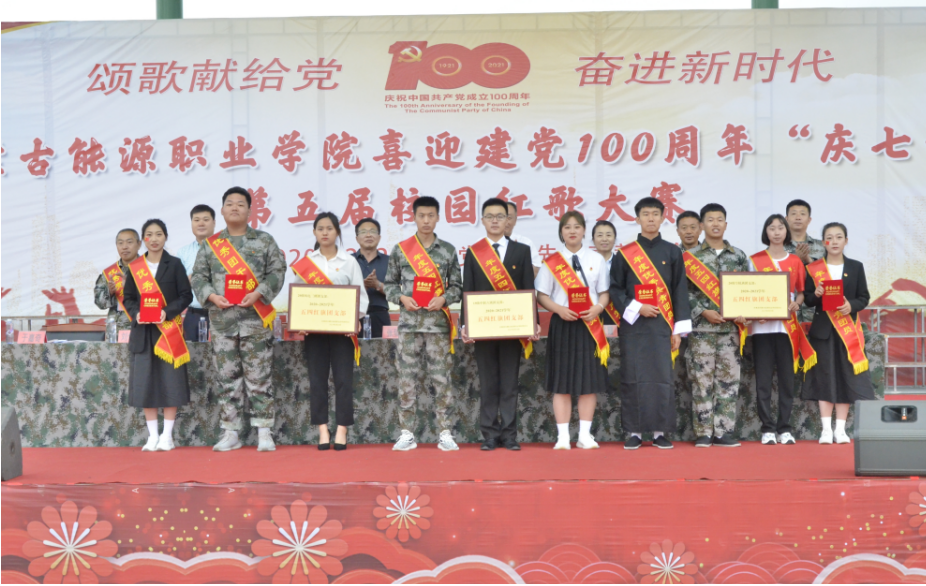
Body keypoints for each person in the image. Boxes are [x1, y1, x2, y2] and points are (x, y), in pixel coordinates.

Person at [191, 187, 287, 453]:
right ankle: (231, 432)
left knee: (259, 377)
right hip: (222, 321)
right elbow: (198, 277)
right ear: (222, 210)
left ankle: (264, 431)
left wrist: (259, 293)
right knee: (227, 379)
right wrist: (212, 296)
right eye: (230, 204)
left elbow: (277, 271)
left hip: (255, 321)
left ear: (250, 210)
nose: (235, 208)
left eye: (240, 204)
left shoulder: (264, 240)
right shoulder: (211, 245)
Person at [610, 198, 692, 450]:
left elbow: (679, 291)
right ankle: (634, 432)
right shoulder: (625, 254)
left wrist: (678, 330)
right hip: (634, 325)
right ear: (637, 219)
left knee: (661, 377)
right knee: (633, 377)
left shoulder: (672, 252)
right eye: (645, 214)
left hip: (662, 326)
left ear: (663, 218)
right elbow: (615, 289)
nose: (651, 218)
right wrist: (637, 307)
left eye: (655, 214)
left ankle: (659, 433)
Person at [384, 196, 464, 452]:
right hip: (409, 325)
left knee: (441, 380)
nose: (426, 220)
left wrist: (444, 298)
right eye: (422, 215)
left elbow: (457, 287)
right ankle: (407, 433)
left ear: (438, 217)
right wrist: (401, 298)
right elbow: (389, 285)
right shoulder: (401, 249)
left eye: (431, 215)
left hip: (438, 326)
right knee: (406, 379)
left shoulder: (448, 250)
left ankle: (445, 432)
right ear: (414, 217)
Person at [460, 198, 538, 452]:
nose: (495, 220)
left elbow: (528, 288)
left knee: (509, 383)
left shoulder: (521, 251)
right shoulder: (474, 252)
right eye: (490, 216)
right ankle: (490, 434)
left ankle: (510, 435)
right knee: (488, 383)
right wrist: (465, 325)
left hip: (512, 329)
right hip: (483, 328)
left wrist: (533, 323)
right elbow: (468, 289)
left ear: (508, 220)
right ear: (482, 221)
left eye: (500, 216)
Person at [292, 213, 369, 451]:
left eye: (330, 228)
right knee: (317, 380)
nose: (325, 233)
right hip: (314, 332)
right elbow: (299, 296)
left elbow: (361, 296)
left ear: (337, 232)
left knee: (344, 380)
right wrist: (299, 320)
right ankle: (323, 429)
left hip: (342, 332)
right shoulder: (307, 263)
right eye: (320, 229)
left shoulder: (349, 261)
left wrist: (356, 319)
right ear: (314, 232)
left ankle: (342, 429)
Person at [537, 211, 611, 451]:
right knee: (562, 382)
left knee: (588, 382)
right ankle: (562, 437)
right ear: (561, 232)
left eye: (577, 227)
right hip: (563, 324)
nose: (572, 231)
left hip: (590, 325)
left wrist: (598, 308)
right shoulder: (552, 261)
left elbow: (604, 293)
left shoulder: (596, 259)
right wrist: (559, 309)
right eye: (567, 227)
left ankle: (584, 436)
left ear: (584, 231)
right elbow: (542, 295)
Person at [122, 220, 193, 452]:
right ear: (144, 239)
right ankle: (152, 436)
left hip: (168, 331)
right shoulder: (135, 267)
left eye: (159, 234)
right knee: (145, 384)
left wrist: (167, 312)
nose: (154, 239)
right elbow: (128, 298)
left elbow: (186, 295)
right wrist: (137, 313)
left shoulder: (175, 264)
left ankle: (167, 436)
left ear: (166, 237)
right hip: (143, 333)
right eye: (149, 235)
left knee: (171, 382)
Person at [802, 223, 875, 445]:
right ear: (823, 242)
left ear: (846, 241)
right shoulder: (814, 268)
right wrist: (816, 294)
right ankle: (826, 429)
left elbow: (864, 297)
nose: (834, 242)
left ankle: (840, 429)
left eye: (838, 237)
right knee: (824, 377)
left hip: (847, 331)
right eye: (829, 238)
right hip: (823, 332)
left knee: (845, 377)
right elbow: (808, 300)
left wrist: (851, 306)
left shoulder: (855, 267)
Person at [684, 204, 750, 448]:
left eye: (719, 219)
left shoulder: (739, 255)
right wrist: (702, 311)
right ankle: (703, 432)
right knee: (701, 381)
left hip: (730, 330)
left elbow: (747, 288)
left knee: (728, 381)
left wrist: (745, 312)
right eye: (710, 220)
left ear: (726, 224)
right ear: (702, 225)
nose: (715, 224)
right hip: (701, 329)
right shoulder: (690, 257)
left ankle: (723, 432)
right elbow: (682, 291)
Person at [748, 214, 811, 446]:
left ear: (786, 232)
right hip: (761, 328)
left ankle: (784, 428)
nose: (776, 232)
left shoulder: (795, 261)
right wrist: (755, 311)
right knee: (763, 380)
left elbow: (801, 291)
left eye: (780, 228)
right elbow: (747, 292)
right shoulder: (754, 260)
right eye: (771, 228)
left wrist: (797, 303)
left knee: (787, 380)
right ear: (766, 232)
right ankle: (767, 429)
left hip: (787, 329)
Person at [177, 205, 217, 342]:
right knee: (193, 354)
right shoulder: (183, 252)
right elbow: (178, 288)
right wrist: (189, 280)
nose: (201, 223)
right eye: (196, 220)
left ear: (214, 222)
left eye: (206, 219)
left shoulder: (226, 250)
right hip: (193, 315)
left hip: (221, 314)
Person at [784, 200, 826, 323]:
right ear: (786, 219)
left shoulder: (822, 247)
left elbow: (830, 275)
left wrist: (809, 260)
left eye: (802, 214)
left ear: (809, 220)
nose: (798, 217)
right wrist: (795, 261)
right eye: (794, 214)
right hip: (787, 310)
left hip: (816, 311)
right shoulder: (777, 248)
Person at [94, 229, 142, 330]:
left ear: (139, 244)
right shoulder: (109, 273)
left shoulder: (148, 269)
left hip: (141, 327)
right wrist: (110, 292)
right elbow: (99, 303)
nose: (124, 247)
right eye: (120, 243)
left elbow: (157, 300)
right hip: (116, 330)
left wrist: (132, 289)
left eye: (129, 242)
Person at [353, 218, 391, 338]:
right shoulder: (348, 261)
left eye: (373, 231)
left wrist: (377, 285)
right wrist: (361, 287)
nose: (368, 235)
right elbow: (340, 293)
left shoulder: (390, 262)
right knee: (352, 350)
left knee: (385, 349)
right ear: (357, 238)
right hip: (353, 315)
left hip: (381, 316)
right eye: (363, 232)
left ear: (379, 237)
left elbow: (399, 293)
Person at [592, 220, 622, 327]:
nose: (604, 239)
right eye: (600, 235)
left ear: (614, 239)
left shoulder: (622, 263)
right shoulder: (586, 264)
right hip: (592, 314)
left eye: (608, 235)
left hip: (617, 314)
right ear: (593, 240)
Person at [505, 201, 542, 277]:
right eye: (501, 217)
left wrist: (518, 256)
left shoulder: (525, 243)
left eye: (509, 218)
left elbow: (536, 272)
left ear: (515, 220)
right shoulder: (484, 243)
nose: (506, 221)